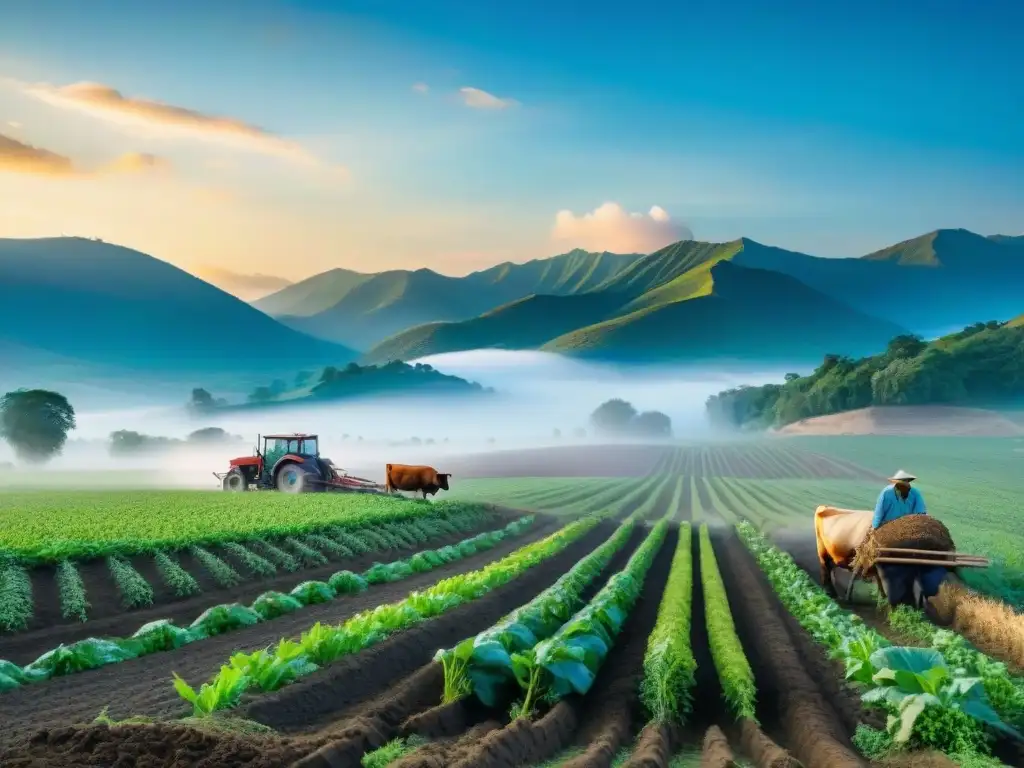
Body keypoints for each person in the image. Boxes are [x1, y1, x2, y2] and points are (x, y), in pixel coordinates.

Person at [871, 469, 946, 608]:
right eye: (902, 484)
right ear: (896, 485)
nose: (905, 486)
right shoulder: (886, 494)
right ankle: (896, 594)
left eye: (907, 484)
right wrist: (874, 531)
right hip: (889, 531)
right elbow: (878, 515)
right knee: (890, 565)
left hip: (908, 532)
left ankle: (921, 587)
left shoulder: (915, 494)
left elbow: (921, 514)